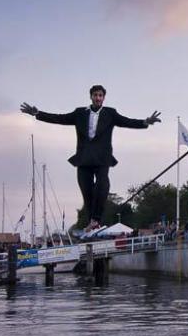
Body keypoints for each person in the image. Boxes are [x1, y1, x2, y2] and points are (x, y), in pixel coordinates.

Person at [21, 85, 161, 232]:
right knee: (86, 190)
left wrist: (145, 122)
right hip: (84, 158)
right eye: (95, 95)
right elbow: (59, 118)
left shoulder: (110, 113)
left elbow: (127, 121)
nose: (98, 98)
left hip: (102, 158)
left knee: (103, 185)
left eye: (101, 95)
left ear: (103, 98)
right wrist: (38, 113)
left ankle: (96, 220)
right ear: (91, 97)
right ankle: (91, 222)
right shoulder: (80, 113)